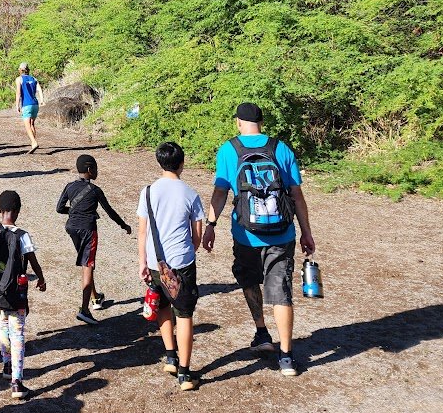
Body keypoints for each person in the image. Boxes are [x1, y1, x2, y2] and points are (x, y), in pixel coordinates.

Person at [201, 102, 316, 378]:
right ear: (262, 122)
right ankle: (286, 356)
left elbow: (220, 192)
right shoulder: (281, 149)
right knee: (281, 292)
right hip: (282, 234)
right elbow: (296, 195)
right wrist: (307, 232)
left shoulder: (229, 150)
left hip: (246, 235)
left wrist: (210, 224)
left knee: (250, 281)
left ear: (238, 122)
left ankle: (262, 332)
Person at [137, 142, 205, 391]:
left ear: (159, 162)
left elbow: (142, 231)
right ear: (182, 163)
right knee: (184, 315)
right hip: (182, 262)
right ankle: (185, 375)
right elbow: (196, 236)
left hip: (157, 262)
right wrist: (188, 251)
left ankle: (170, 356)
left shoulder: (147, 192)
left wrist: (143, 262)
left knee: (163, 307)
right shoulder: (190, 194)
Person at [0, 190, 46, 400]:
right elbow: (33, 260)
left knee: (3, 323)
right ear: (17, 211)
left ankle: (7, 364)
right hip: (16, 292)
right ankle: (17, 383)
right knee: (17, 332)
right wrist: (41, 278)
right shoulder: (22, 235)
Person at [56, 154, 131, 325]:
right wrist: (123, 225)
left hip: (71, 228)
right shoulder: (96, 191)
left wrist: (75, 212)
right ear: (90, 170)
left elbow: (59, 208)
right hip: (88, 230)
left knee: (85, 263)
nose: (97, 171)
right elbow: (109, 211)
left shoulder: (69, 186)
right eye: (96, 169)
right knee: (88, 265)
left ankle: (96, 297)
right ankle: (84, 310)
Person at [14, 63, 42, 152]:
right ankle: (33, 142)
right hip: (35, 104)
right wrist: (42, 100)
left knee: (27, 125)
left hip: (26, 105)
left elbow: (18, 93)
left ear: (20, 70)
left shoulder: (19, 79)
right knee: (32, 124)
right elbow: (40, 90)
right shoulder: (34, 78)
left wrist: (17, 105)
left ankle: (34, 142)